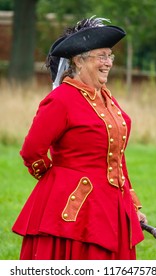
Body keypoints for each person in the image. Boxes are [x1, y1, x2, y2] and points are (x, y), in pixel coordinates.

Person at [12, 16, 147, 260]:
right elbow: (32, 151)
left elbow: (116, 156)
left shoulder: (106, 98)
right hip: (73, 215)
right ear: (78, 60)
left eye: (110, 56)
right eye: (102, 56)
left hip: (113, 207)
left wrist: (132, 204)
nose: (108, 63)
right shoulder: (61, 100)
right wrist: (58, 183)